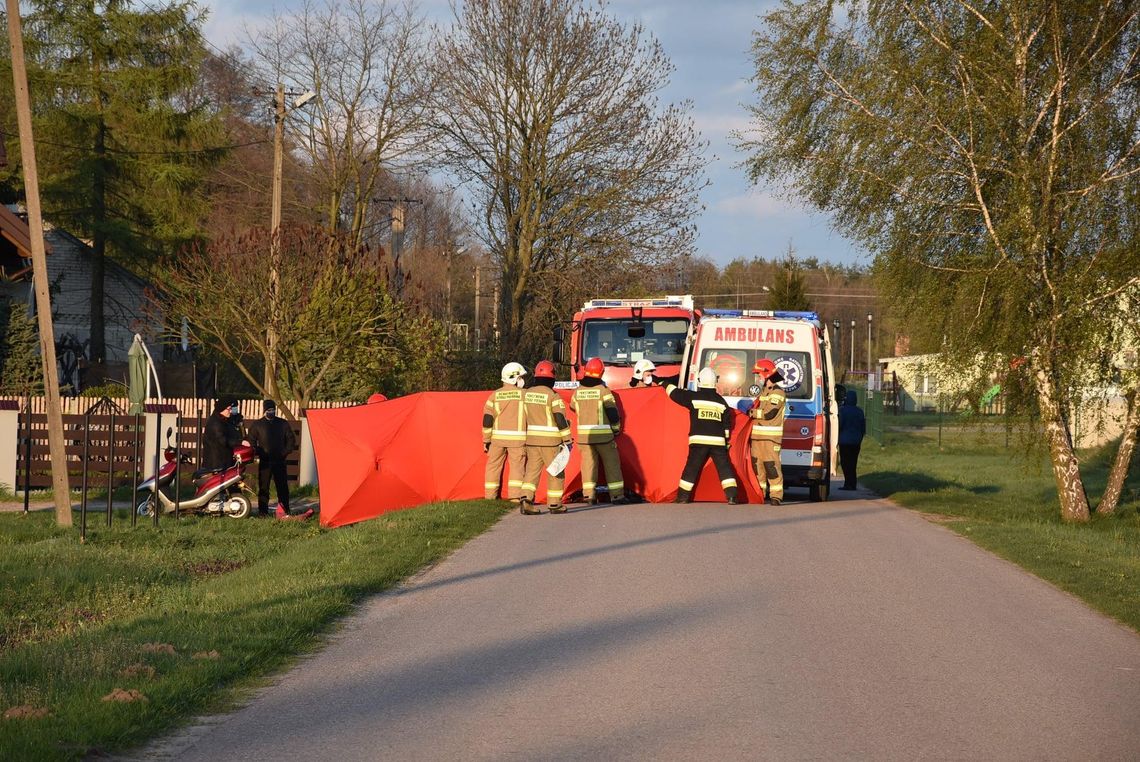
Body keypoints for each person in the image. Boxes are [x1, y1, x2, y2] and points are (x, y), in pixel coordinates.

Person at [665, 368, 739, 504]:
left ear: (699, 381)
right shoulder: (721, 401)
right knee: (724, 468)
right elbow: (727, 424)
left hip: (698, 441)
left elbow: (675, 394)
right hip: (718, 442)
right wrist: (725, 439)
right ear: (715, 382)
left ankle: (682, 497)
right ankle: (732, 496)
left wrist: (664, 383)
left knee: (691, 468)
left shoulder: (693, 397)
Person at [570, 357, 630, 505]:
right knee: (612, 465)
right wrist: (616, 429)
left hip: (584, 438)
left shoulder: (577, 392)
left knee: (588, 467)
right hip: (604, 438)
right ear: (601, 373)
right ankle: (616, 496)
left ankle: (589, 496)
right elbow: (612, 413)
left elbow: (572, 407)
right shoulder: (604, 391)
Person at [520, 360, 573, 514]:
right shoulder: (553, 396)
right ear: (552, 377)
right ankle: (555, 504)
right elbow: (560, 419)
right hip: (550, 442)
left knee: (532, 472)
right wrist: (567, 438)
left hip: (532, 441)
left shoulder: (527, 394)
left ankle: (526, 499)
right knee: (556, 472)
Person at [483, 362, 530, 511]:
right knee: (517, 467)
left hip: (496, 439)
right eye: (521, 377)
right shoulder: (525, 395)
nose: (523, 380)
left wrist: (486, 440)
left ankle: (490, 496)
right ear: (514, 378)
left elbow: (487, 420)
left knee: (493, 467)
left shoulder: (494, 396)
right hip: (519, 439)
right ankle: (515, 496)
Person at [246, 399, 300, 518]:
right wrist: (260, 452)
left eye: (273, 410)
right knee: (263, 487)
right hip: (265, 461)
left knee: (282, 487)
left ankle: (285, 510)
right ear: (265, 411)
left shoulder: (283, 423)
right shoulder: (257, 425)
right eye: (269, 410)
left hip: (280, 460)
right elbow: (251, 441)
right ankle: (263, 512)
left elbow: (291, 440)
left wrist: (285, 452)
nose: (272, 412)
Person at [750, 358, 786, 505]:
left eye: (759, 375)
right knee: (757, 467)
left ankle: (776, 495)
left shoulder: (778, 393)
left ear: (767, 375)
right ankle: (760, 493)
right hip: (757, 437)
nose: (758, 378)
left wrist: (752, 413)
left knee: (772, 467)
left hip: (771, 439)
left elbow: (769, 413)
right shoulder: (764, 392)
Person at [202, 397, 246, 472]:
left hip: (224, 461)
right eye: (229, 409)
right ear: (222, 409)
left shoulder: (224, 420)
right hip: (216, 464)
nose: (231, 411)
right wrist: (240, 442)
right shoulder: (215, 423)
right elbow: (223, 441)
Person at [838, 388, 866, 490]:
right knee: (853, 463)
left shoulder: (842, 410)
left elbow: (839, 425)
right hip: (856, 441)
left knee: (845, 463)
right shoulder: (860, 412)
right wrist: (860, 438)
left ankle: (847, 483)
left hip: (844, 441)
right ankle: (853, 483)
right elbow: (863, 427)